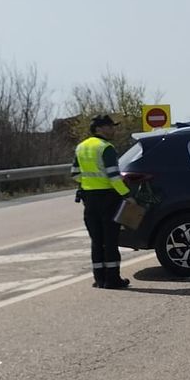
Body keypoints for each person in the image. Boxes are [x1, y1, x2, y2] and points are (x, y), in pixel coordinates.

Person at [72, 115, 133, 289]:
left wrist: (89, 184)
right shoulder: (106, 148)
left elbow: (75, 174)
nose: (113, 129)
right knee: (110, 240)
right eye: (109, 126)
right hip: (108, 198)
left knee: (96, 240)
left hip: (89, 199)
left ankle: (99, 279)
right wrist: (127, 194)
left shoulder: (81, 147)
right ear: (98, 129)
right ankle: (112, 279)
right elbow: (114, 176)